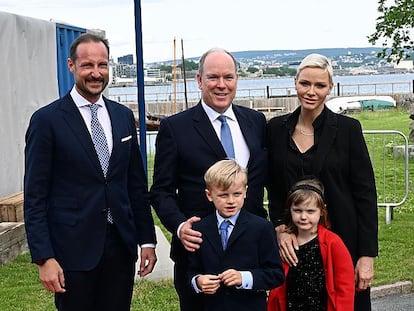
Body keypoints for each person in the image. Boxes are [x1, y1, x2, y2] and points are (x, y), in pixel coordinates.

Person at [23, 33, 157, 311]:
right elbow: (35, 196)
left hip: (120, 248)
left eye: (103, 65)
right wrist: (44, 258)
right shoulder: (47, 121)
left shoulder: (122, 116)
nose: (96, 73)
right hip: (72, 251)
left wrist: (147, 240)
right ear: (71, 66)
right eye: (87, 66)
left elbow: (135, 186)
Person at [150, 48, 268, 311]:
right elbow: (161, 191)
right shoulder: (175, 128)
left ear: (237, 79)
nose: (221, 85)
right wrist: (180, 227)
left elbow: (265, 180)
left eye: (229, 77)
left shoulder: (256, 122)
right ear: (200, 80)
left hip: (251, 253)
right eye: (213, 77)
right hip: (199, 257)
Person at [266, 53, 378, 310]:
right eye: (305, 83)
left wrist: (366, 255)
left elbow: (366, 194)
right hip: (293, 247)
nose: (311, 91)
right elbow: (272, 188)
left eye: (320, 85)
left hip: (342, 242)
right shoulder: (275, 129)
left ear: (330, 87)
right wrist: (279, 228)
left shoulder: (348, 129)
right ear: (295, 83)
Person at [187, 159, 284, 311]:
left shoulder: (261, 227)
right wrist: (198, 281)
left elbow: (275, 274)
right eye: (223, 195)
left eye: (237, 194)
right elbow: (190, 270)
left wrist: (244, 278)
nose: (231, 201)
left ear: (245, 191)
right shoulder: (199, 229)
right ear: (209, 195)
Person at [267, 178, 355, 311]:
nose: (303, 216)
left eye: (310, 211)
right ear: (290, 210)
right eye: (297, 210)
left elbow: (345, 286)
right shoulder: (284, 243)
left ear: (321, 211)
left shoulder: (333, 243)